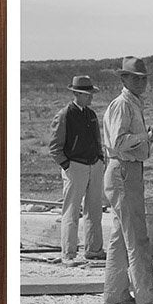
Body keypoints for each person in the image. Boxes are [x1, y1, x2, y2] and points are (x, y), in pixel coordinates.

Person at [102, 56, 153, 304]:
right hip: (124, 170)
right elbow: (119, 142)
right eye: (136, 78)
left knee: (121, 236)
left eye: (144, 78)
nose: (141, 82)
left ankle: (115, 293)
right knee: (137, 236)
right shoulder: (122, 105)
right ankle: (146, 292)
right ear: (124, 79)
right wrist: (146, 136)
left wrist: (150, 137)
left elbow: (129, 139)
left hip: (127, 169)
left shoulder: (132, 104)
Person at [48, 74, 106, 265]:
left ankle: (94, 250)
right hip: (75, 167)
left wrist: (100, 160)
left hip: (93, 166)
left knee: (95, 211)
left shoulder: (90, 114)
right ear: (76, 94)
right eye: (86, 93)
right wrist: (67, 166)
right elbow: (55, 147)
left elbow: (97, 140)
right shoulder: (65, 115)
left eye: (90, 93)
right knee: (71, 212)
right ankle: (69, 254)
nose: (90, 96)